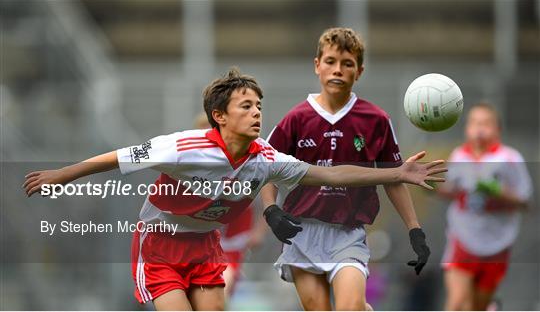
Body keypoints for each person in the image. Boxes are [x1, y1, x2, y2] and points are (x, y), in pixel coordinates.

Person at [23, 68, 445, 311]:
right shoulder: (184, 147)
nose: (258, 112)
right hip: (160, 246)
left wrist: (396, 173)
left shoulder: (265, 159)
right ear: (218, 117)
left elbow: (331, 175)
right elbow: (117, 157)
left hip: (206, 247)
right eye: (246, 106)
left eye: (260, 105)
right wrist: (60, 176)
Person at [260, 27, 432, 311]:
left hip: (347, 234)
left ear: (359, 71)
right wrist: (270, 210)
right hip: (301, 233)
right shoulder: (296, 118)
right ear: (317, 65)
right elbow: (267, 169)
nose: (337, 70)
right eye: (330, 61)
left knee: (349, 307)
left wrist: (415, 230)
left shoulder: (376, 120)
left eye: (347, 64)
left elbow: (394, 177)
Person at [437, 102, 532, 311]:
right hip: (463, 238)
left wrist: (499, 192)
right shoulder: (459, 156)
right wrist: (430, 185)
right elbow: (452, 191)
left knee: (477, 306)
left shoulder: (509, 158)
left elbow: (525, 201)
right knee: (457, 302)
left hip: (496, 243)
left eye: (486, 123)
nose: (479, 128)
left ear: (497, 129)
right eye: (474, 123)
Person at [194, 112, 267, 299]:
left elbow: (266, 202)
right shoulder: (190, 166)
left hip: (232, 244)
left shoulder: (249, 165)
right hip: (199, 243)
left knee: (222, 285)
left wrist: (259, 231)